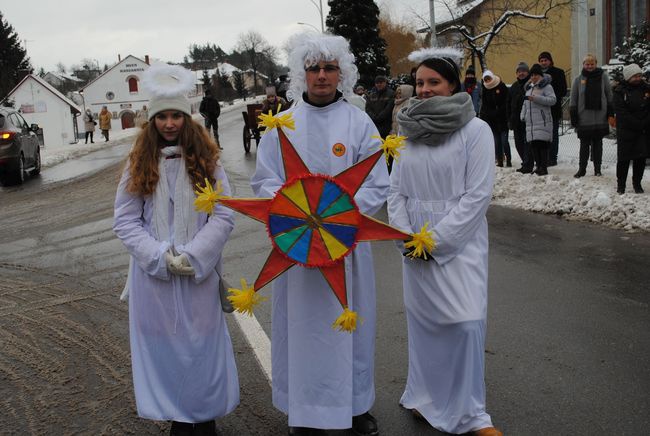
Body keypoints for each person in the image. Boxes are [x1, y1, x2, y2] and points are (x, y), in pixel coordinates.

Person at [251, 32, 387, 436]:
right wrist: (296, 215)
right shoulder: (282, 126)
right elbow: (265, 181)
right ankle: (304, 409)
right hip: (298, 252)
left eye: (330, 68)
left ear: (341, 73)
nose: (322, 76)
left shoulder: (358, 122)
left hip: (345, 249)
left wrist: (340, 219)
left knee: (352, 327)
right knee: (303, 330)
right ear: (302, 74)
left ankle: (355, 405)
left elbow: (378, 182)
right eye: (314, 68)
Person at [113, 63, 239, 435]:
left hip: (197, 277)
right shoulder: (138, 163)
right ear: (152, 122)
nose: (169, 124)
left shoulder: (208, 162)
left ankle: (204, 418)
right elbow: (125, 219)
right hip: (155, 280)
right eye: (162, 117)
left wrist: (196, 254)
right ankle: (177, 418)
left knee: (201, 349)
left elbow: (223, 214)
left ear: (188, 118)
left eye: (176, 116)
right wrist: (158, 256)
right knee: (165, 352)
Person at [387, 46, 501, 436]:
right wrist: (406, 235)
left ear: (452, 85)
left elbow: (477, 195)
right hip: (413, 243)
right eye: (419, 82)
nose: (423, 89)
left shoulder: (475, 130)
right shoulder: (408, 132)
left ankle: (471, 414)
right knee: (426, 325)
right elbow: (396, 192)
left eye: (433, 82)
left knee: (466, 322)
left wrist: (435, 241)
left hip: (458, 240)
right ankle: (426, 398)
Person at [570, 54, 613, 178]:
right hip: (584, 117)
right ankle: (582, 169)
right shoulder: (578, 80)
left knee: (598, 144)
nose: (589, 66)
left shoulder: (603, 77)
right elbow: (573, 99)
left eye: (592, 63)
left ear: (596, 64)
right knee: (584, 145)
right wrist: (574, 116)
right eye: (587, 64)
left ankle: (597, 169)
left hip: (600, 116)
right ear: (583, 65)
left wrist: (610, 113)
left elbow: (609, 95)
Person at [613, 63, 649, 194]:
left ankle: (637, 184)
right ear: (628, 77)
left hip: (643, 130)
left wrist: (644, 122)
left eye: (639, 76)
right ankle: (621, 185)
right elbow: (621, 112)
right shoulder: (619, 91)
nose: (638, 78)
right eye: (635, 76)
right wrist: (636, 123)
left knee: (640, 159)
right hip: (626, 130)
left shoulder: (646, 89)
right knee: (623, 160)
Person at [520, 63, 557, 176]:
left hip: (542, 120)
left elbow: (552, 100)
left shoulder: (547, 87)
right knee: (534, 145)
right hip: (531, 122)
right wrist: (523, 114)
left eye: (536, 75)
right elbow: (525, 103)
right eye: (532, 75)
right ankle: (538, 166)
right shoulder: (529, 88)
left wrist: (536, 98)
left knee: (542, 144)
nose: (533, 77)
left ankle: (543, 167)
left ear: (541, 76)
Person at [538, 51, 567, 166]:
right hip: (540, 110)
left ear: (550, 61)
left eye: (545, 60)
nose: (544, 62)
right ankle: (543, 157)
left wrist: (551, 96)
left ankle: (552, 157)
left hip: (553, 109)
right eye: (541, 60)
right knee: (542, 135)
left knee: (553, 134)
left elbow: (563, 90)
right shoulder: (536, 73)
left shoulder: (558, 72)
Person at [480, 70, 511, 167]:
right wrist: (489, 113)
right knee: (497, 142)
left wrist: (500, 111)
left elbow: (506, 101)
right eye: (486, 79)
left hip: (503, 119)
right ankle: (500, 160)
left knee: (504, 141)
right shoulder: (485, 89)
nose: (488, 81)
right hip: (492, 120)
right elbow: (485, 105)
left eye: (489, 78)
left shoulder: (501, 86)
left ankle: (508, 158)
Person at [507, 62, 533, 173]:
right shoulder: (514, 86)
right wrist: (509, 118)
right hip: (516, 120)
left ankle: (528, 164)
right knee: (518, 144)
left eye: (523, 71)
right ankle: (525, 162)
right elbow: (508, 103)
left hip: (527, 120)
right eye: (519, 71)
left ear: (528, 72)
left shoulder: (531, 85)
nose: (521, 73)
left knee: (527, 144)